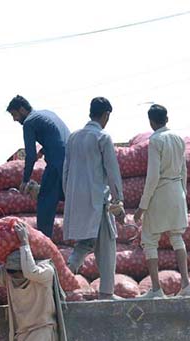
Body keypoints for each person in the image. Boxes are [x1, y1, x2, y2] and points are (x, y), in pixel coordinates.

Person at [62, 97, 125, 300]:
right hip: (98, 201)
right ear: (106, 115)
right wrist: (118, 200)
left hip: (76, 200)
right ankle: (106, 292)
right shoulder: (102, 137)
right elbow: (112, 172)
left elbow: (66, 171)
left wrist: (69, 198)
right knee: (106, 244)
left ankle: (66, 275)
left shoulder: (73, 138)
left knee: (86, 242)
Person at [133, 104, 190, 298]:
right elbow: (184, 170)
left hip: (160, 193)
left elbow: (152, 177)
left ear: (151, 122)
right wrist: (182, 194)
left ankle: (157, 289)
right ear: (167, 119)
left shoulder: (155, 141)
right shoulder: (178, 139)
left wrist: (142, 207)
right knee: (177, 237)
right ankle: (186, 285)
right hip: (177, 191)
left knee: (149, 240)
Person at [6, 95, 70, 239]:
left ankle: (44, 241)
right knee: (65, 196)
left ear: (22, 110)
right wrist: (42, 152)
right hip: (71, 162)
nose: (15, 119)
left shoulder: (29, 122)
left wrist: (25, 180)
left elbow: (29, 154)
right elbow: (55, 137)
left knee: (44, 202)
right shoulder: (47, 114)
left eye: (14, 114)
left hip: (56, 165)